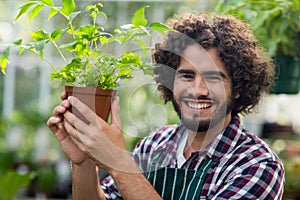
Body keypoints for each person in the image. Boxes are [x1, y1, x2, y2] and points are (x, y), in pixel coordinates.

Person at [47, 12, 285, 199]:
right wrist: (84, 160)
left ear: (239, 87)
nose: (198, 91)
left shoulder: (256, 165)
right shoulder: (156, 145)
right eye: (187, 76)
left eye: (214, 78)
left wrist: (119, 165)